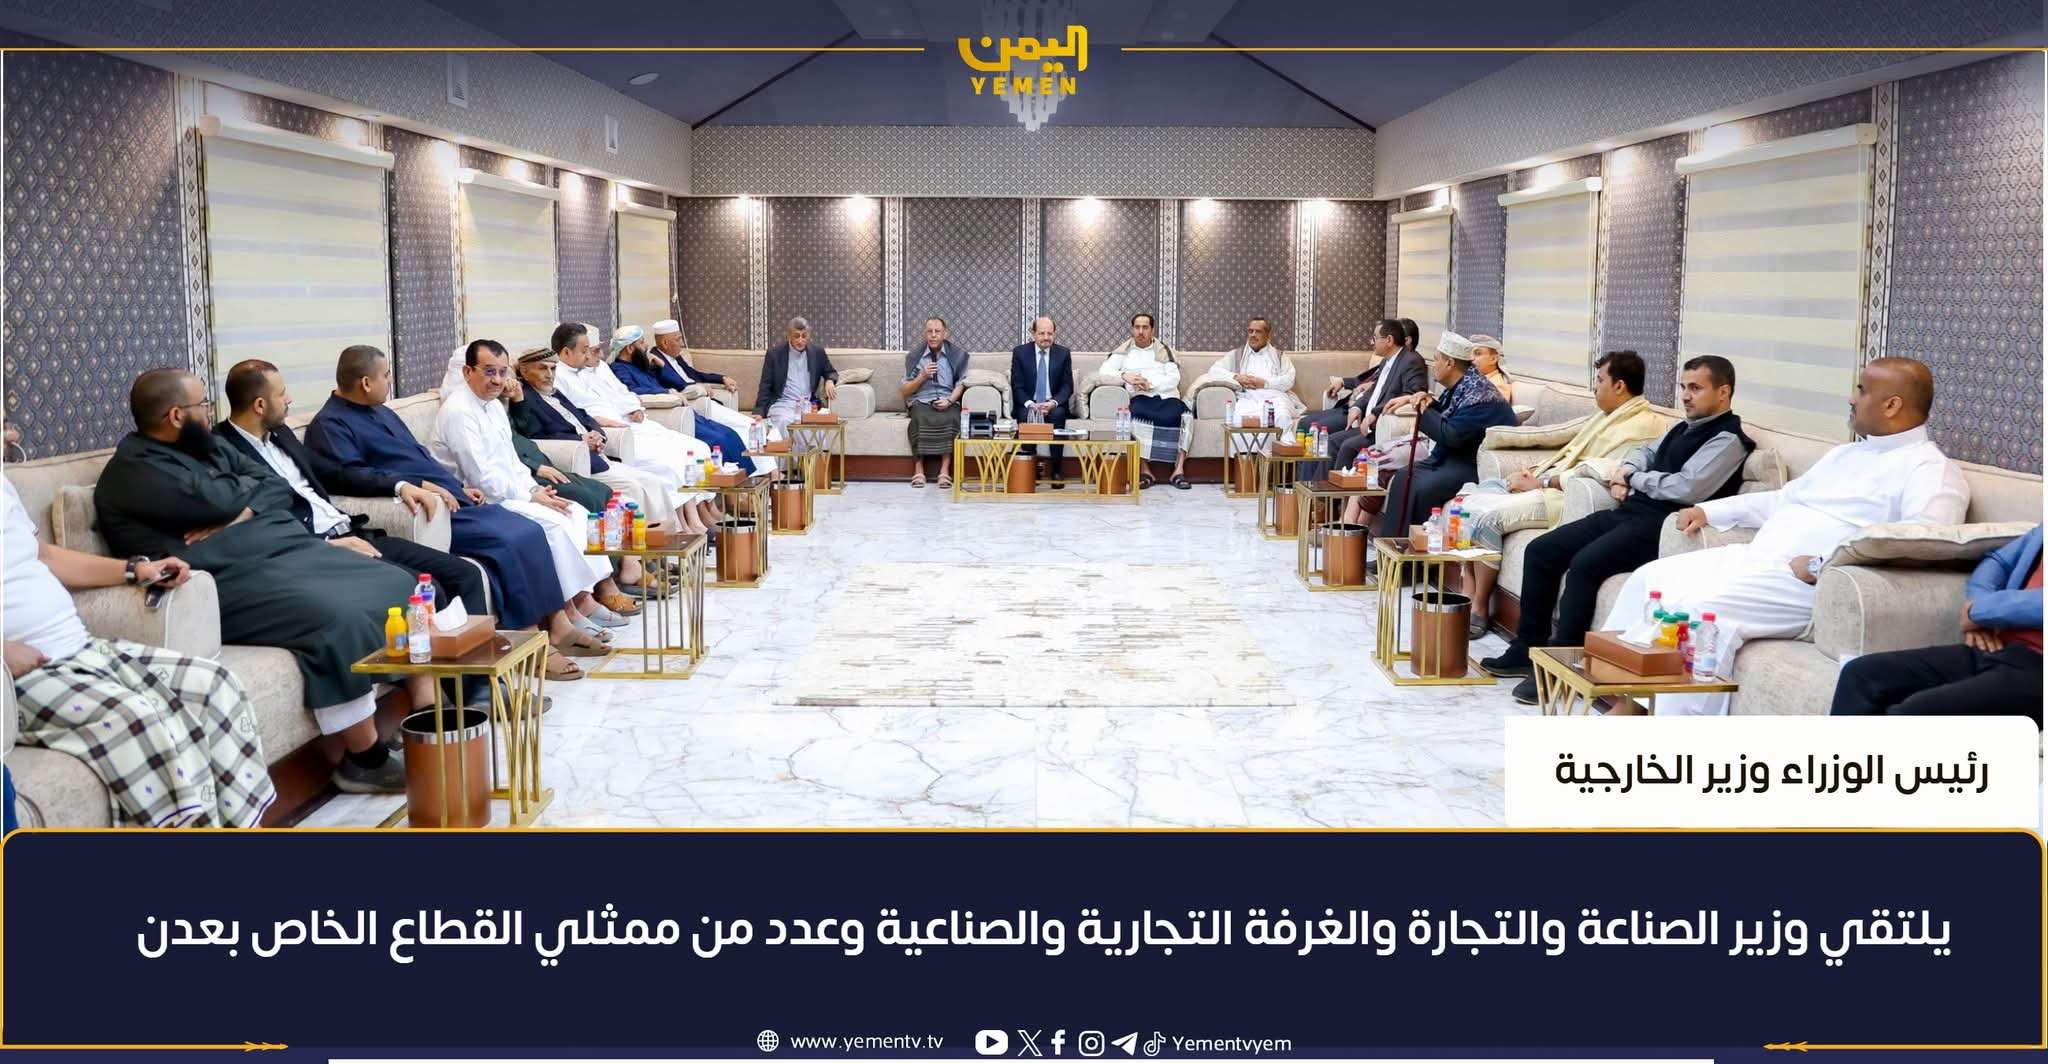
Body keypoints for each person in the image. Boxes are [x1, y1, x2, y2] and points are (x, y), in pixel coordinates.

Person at [94, 369, 427, 794]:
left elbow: (275, 486)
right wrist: (240, 498)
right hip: (223, 577)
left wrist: (241, 511)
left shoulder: (204, 444)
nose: (210, 413)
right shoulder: (134, 471)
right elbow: (216, 500)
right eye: (203, 405)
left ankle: (422, 715)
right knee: (338, 619)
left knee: (399, 584)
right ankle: (364, 760)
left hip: (283, 551)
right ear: (176, 416)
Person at [1598, 356, 1968, 715]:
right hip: (1756, 557)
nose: (1852, 398)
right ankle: (1617, 700)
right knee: (1649, 579)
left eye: (1861, 389)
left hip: (1808, 583)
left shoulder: (1930, 470)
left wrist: (1822, 564)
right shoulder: (1845, 454)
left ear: (1891, 405)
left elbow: (1921, 545)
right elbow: (1782, 499)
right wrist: (1709, 511)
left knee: (1701, 611)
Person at [304, 345, 601, 677]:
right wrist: (410, 485)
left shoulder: (381, 411)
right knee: (507, 541)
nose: (390, 381)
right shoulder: (330, 425)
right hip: (431, 509)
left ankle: (558, 625)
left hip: (453, 497)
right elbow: (349, 475)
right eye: (386, 376)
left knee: (529, 530)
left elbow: (421, 457)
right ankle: (530, 640)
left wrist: (457, 486)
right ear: (365, 382)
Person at [5, 478, 275, 826]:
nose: (7, 446)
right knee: (139, 717)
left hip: (81, 646)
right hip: (18, 678)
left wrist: (134, 570)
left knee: (214, 685)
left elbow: (44, 555)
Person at [1480, 355, 1753, 697]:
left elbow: (1687, 487)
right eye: (1683, 387)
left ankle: (1563, 670)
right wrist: (1630, 470)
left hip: (1663, 527)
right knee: (1542, 550)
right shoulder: (1684, 427)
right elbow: (1641, 454)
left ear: (1724, 392)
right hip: (1631, 512)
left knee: (1584, 567)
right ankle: (1526, 649)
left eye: (1696, 388)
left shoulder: (1728, 440)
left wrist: (1634, 478)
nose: (1685, 396)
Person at [217, 359, 488, 622]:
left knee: (465, 574)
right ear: (260, 405)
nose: (289, 399)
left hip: (352, 533)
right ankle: (438, 654)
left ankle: (481, 654)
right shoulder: (222, 453)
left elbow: (337, 473)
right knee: (427, 590)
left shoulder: (280, 434)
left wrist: (402, 484)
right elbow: (251, 524)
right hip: (317, 549)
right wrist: (323, 543)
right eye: (281, 394)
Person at [431, 340, 643, 654]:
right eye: (489, 372)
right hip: (484, 500)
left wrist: (534, 490)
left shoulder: (492, 405)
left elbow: (511, 461)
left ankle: (583, 599)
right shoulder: (459, 412)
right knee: (554, 525)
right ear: (467, 372)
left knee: (576, 513)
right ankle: (568, 614)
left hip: (513, 490)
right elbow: (481, 477)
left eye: (502, 372)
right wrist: (530, 496)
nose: (497, 380)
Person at [1453, 350, 1664, 636]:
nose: (1595, 387)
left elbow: (1603, 471)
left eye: (1599, 380)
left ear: (1619, 386)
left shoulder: (1643, 426)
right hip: (1549, 481)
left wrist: (1541, 482)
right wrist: (1535, 471)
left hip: (1564, 496)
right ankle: (1467, 594)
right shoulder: (1608, 415)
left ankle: (1479, 607)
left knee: (1488, 520)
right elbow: (1569, 448)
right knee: (1465, 501)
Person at [1830, 525, 2042, 724]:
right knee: (1861, 675)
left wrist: (1979, 611)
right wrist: (1979, 605)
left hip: (2038, 670)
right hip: (2000, 648)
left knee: (1913, 714)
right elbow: (1998, 561)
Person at [509, 346, 718, 534]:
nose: (549, 374)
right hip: (579, 461)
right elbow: (533, 434)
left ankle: (673, 535)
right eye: (542, 368)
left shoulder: (554, 392)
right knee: (634, 489)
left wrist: (597, 433)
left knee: (653, 482)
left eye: (552, 369)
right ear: (524, 371)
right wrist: (581, 439)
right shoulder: (525, 398)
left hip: (598, 455)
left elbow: (584, 415)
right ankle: (645, 548)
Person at [1360, 332, 1518, 548]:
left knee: (1423, 487)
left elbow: (1451, 434)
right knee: (1403, 476)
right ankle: (1390, 551)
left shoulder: (1481, 395)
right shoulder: (1462, 386)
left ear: (1450, 363)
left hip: (1472, 465)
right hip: (1451, 459)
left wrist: (1423, 409)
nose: (1433, 365)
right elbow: (1444, 412)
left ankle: (1413, 557)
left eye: (1436, 360)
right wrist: (1423, 401)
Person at [549, 323, 710, 485]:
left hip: (629, 422)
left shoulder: (591, 369)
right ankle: (688, 501)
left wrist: (634, 408)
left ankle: (702, 497)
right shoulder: (558, 377)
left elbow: (621, 392)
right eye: (586, 351)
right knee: (671, 462)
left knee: (697, 448)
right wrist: (602, 422)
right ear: (567, 352)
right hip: (613, 431)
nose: (594, 356)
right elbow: (573, 415)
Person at [608, 322, 763, 476]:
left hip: (686, 411)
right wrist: (666, 391)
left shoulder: (641, 365)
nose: (646, 346)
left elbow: (673, 379)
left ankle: (745, 481)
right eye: (642, 343)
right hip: (669, 414)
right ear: (630, 348)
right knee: (719, 440)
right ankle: (732, 485)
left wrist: (660, 365)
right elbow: (631, 391)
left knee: (729, 433)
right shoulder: (618, 369)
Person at [1301, 319, 1427, 479]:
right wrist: (1357, 407)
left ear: (1389, 340)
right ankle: (1314, 490)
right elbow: (1374, 391)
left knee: (1345, 445)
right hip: (1366, 425)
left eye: (1375, 338)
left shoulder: (1411, 361)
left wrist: (1375, 413)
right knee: (1330, 441)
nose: (1371, 342)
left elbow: (1413, 394)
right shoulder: (1387, 361)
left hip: (1380, 428)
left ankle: (1331, 493)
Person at [1098, 312, 1191, 489]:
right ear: (1132, 329)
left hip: (1167, 395)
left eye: (1145, 327)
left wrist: (1150, 384)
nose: (1141, 331)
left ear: (1152, 330)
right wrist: (1125, 376)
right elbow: (1104, 372)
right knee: (1133, 415)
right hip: (1141, 397)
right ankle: (1145, 470)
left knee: (1185, 415)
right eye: (1137, 327)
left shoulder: (1164, 351)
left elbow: (1174, 378)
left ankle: (1178, 470)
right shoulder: (1124, 351)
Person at [1198, 316, 1299, 433]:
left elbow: (1289, 379)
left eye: (1258, 331)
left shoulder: (1280, 356)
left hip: (1275, 399)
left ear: (1268, 336)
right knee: (1239, 421)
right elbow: (1214, 370)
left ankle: (1279, 445)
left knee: (1282, 417)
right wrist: (1236, 377)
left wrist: (1265, 384)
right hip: (1247, 398)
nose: (1253, 335)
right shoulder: (1237, 355)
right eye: (1250, 331)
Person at [901, 316, 969, 489]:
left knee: (953, 417)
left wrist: (950, 400)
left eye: (937, 331)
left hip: (947, 399)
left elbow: (961, 383)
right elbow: (904, 391)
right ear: (925, 334)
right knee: (919, 418)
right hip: (921, 399)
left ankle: (944, 471)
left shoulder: (958, 355)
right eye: (929, 332)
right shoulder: (914, 357)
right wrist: (922, 376)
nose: (933, 335)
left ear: (945, 334)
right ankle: (918, 470)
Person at [1010, 315, 1075, 487]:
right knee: (1026, 416)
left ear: (1055, 334)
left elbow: (1067, 386)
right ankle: (1030, 468)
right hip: (1029, 403)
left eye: (1050, 333)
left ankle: (1056, 470)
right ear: (1033, 334)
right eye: (1041, 333)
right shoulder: (1020, 353)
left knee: (1058, 415)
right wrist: (1031, 404)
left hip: (1052, 403)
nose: (1046, 337)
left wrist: (1053, 402)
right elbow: (1017, 385)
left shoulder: (1063, 353)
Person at [754, 316, 840, 430]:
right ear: (789, 335)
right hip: (783, 403)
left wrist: (829, 380)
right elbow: (765, 385)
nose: (800, 340)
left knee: (813, 425)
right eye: (796, 336)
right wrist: (759, 411)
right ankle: (787, 442)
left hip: (807, 404)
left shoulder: (817, 352)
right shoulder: (774, 354)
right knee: (785, 420)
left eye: (804, 336)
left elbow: (831, 372)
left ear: (809, 335)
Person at [1468, 335, 1514, 404]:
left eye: (1478, 353)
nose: (1471, 358)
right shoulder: (1474, 379)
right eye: (1470, 354)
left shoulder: (1497, 386)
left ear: (1493, 359)